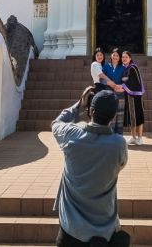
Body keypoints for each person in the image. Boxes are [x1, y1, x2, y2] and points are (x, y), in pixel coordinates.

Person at [52, 88, 131, 247]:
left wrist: (79, 104)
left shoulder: (71, 134)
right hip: (106, 232)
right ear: (114, 115)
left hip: (71, 232)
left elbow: (56, 123)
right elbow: (120, 165)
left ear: (91, 111)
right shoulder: (119, 144)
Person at [121, 50, 145, 145]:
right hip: (128, 95)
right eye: (123, 57)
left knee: (138, 116)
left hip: (136, 95)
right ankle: (133, 137)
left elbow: (134, 82)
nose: (124, 58)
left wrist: (123, 86)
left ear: (130, 58)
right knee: (132, 117)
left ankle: (140, 138)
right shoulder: (124, 68)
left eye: (126, 57)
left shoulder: (133, 67)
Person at [102, 49, 125, 134]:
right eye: (114, 55)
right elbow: (101, 79)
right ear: (111, 56)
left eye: (117, 55)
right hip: (108, 93)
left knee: (120, 114)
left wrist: (121, 87)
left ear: (119, 58)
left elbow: (125, 80)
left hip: (120, 92)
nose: (115, 57)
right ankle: (109, 134)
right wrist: (108, 83)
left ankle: (119, 135)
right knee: (110, 112)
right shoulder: (106, 66)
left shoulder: (122, 67)